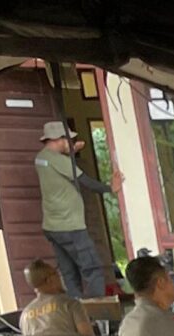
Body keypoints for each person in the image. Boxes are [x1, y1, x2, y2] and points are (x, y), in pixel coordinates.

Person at [34, 121, 116, 299]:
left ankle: (76, 310)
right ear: (58, 139)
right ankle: (99, 314)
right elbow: (86, 182)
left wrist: (70, 152)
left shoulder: (41, 158)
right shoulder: (59, 160)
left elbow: (57, 166)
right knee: (93, 269)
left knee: (69, 273)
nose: (70, 143)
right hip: (71, 227)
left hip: (53, 227)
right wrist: (111, 188)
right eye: (67, 139)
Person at [17, 257, 88, 336]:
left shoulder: (24, 317)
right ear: (49, 280)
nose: (60, 277)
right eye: (56, 273)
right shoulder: (71, 305)